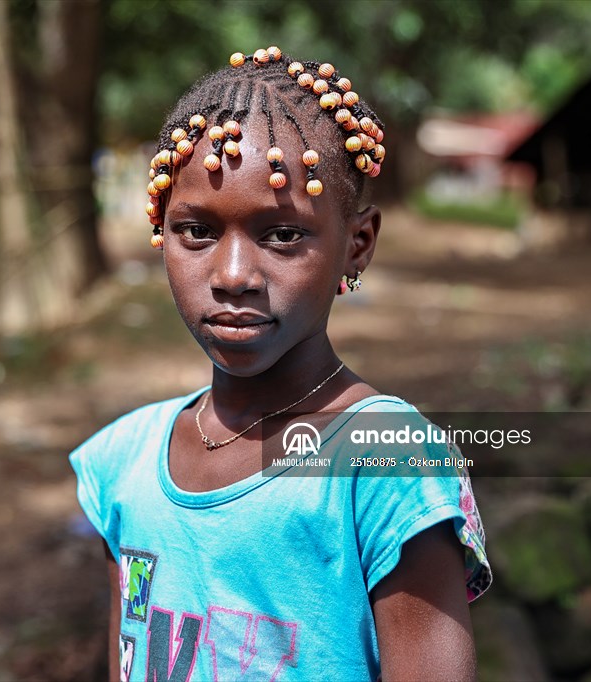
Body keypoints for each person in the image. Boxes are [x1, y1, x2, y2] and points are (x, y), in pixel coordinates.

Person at [69, 47, 491, 682]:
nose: (234, 275)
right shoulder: (121, 462)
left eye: (283, 235)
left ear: (357, 244)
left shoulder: (385, 464)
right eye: (196, 232)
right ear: (160, 231)